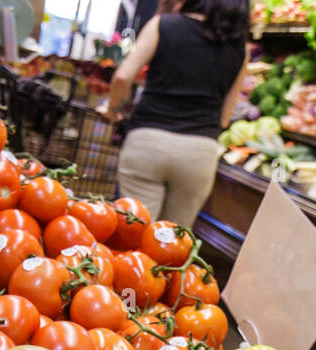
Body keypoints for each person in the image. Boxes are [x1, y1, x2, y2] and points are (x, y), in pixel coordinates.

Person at [101, 0, 250, 227]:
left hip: (149, 142)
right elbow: (224, 118)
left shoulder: (163, 25)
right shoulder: (240, 47)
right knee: (172, 245)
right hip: (199, 152)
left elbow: (123, 77)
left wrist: (112, 110)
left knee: (132, 234)